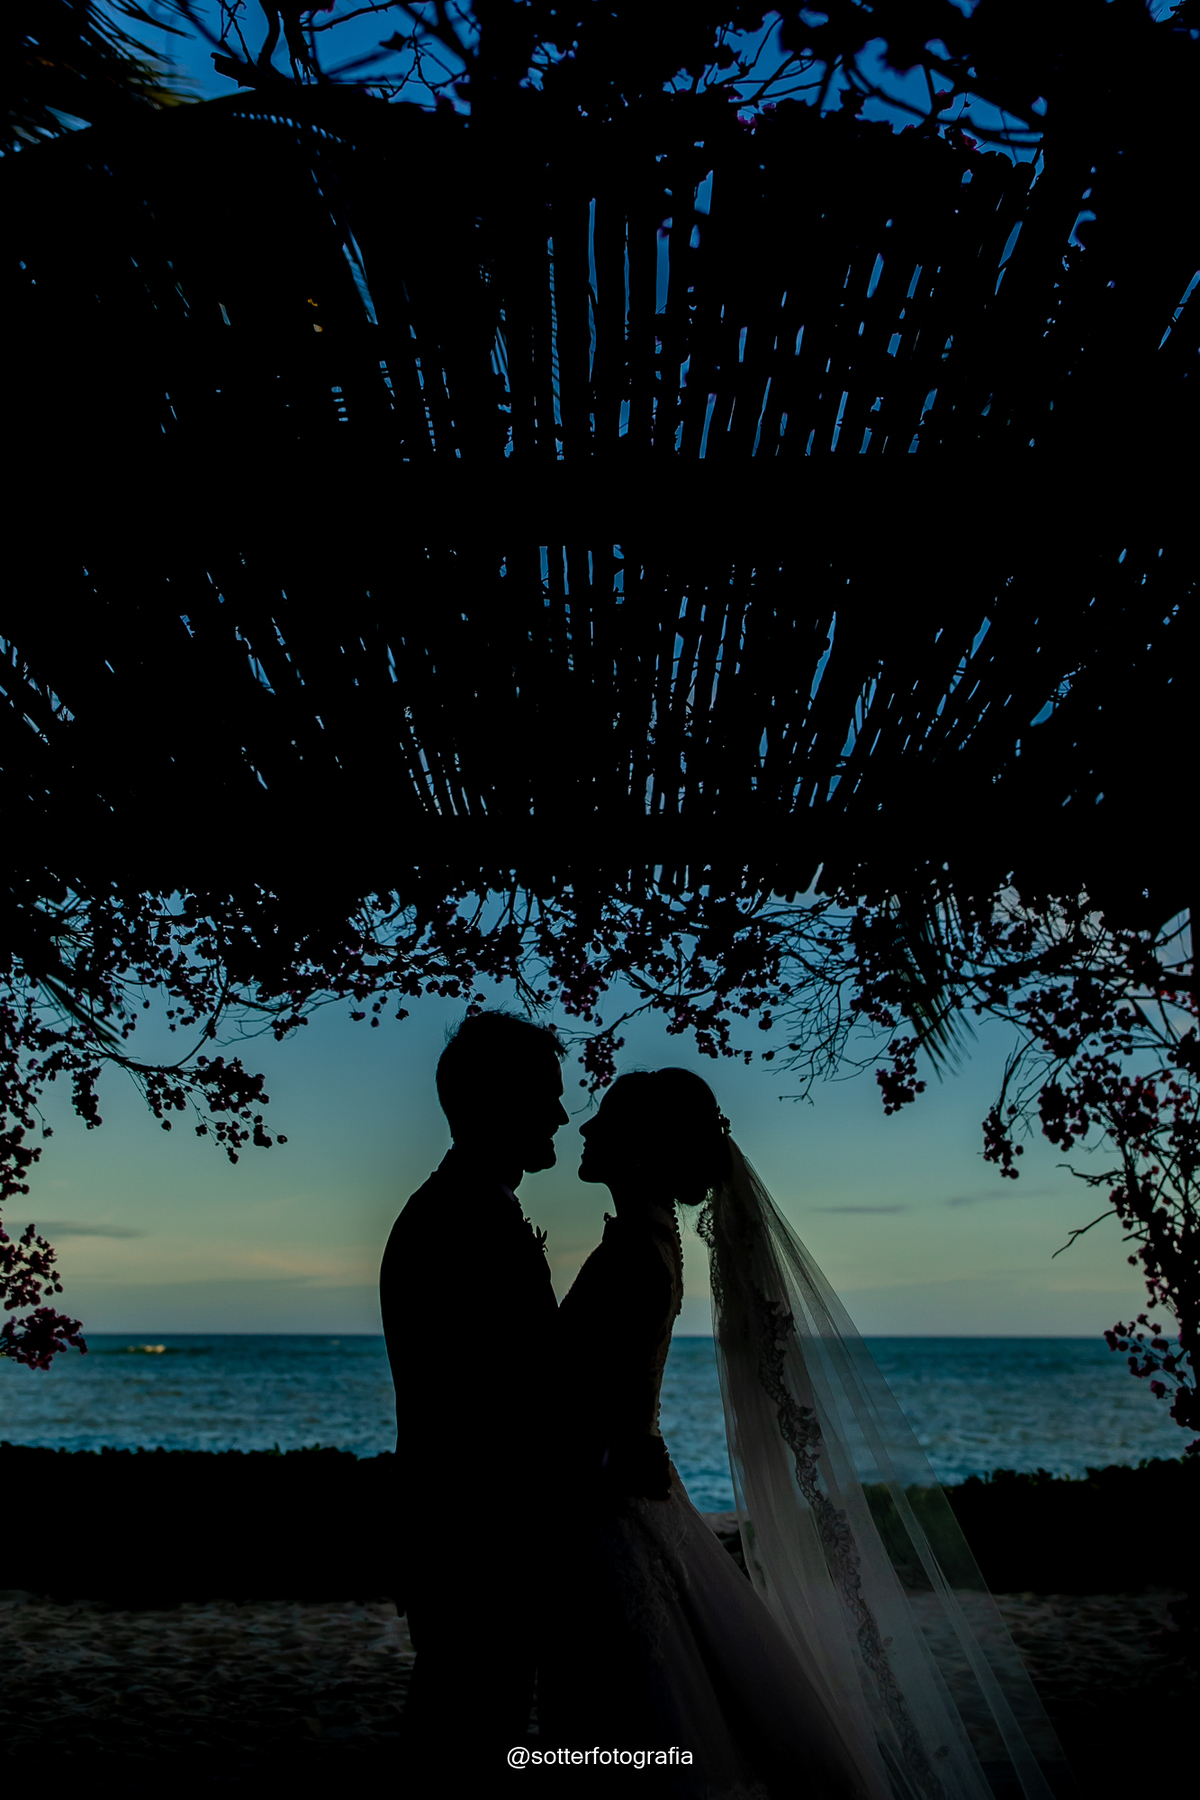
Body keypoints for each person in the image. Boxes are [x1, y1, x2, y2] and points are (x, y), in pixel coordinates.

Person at [539, 1068, 1074, 1800]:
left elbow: (576, 1409)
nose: (585, 1128)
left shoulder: (633, 1253)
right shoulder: (654, 1242)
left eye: (604, 1119)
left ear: (640, 1150)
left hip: (610, 1504)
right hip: (633, 1496)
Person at [379, 1009, 568, 1776]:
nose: (562, 1115)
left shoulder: (471, 1207)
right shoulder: (460, 1221)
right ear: (499, 1103)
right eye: (548, 1097)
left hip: (471, 1538)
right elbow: (501, 1402)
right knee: (465, 1735)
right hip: (477, 1542)